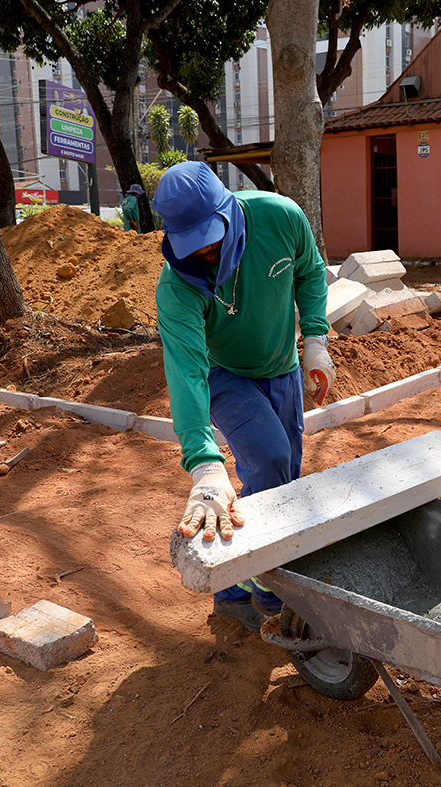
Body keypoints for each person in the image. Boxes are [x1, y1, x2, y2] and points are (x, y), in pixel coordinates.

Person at [153, 161, 334, 630]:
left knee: (284, 477)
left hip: (283, 367)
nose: (206, 254)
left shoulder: (280, 218)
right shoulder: (178, 287)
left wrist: (314, 340)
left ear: (230, 211)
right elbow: (186, 372)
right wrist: (204, 465)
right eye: (192, 247)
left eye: (212, 239)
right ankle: (268, 587)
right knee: (270, 458)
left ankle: (230, 588)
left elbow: (311, 273)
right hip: (223, 373)